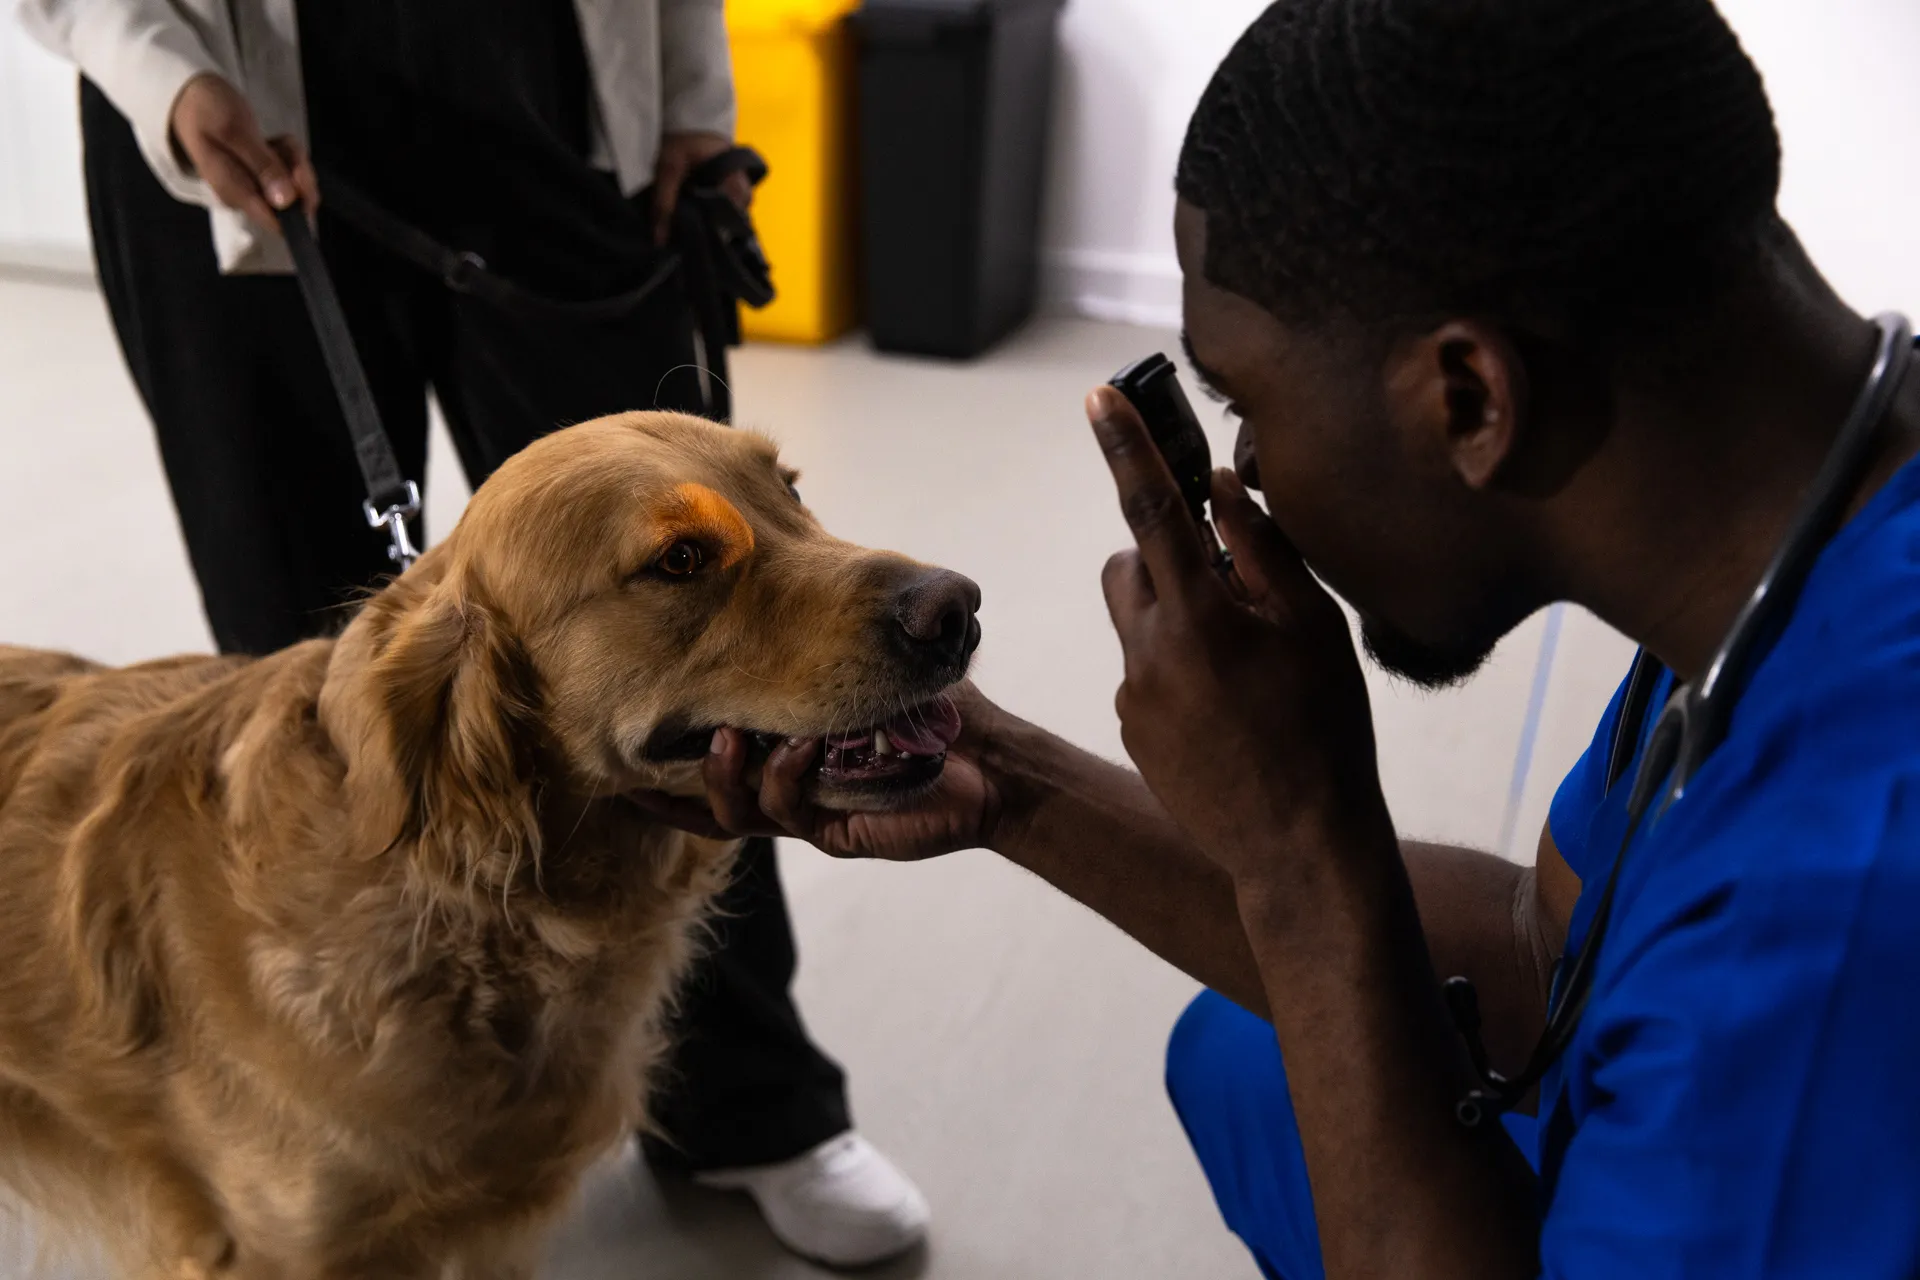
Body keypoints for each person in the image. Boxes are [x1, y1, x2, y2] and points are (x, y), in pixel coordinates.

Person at [634, 0, 1920, 1275]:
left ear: (1469, 398)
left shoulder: (1826, 915)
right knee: (1244, 1060)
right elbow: (1543, 949)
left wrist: (1304, 847)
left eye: (1245, 401)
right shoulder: (1811, 520)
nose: (1242, 470)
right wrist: (1001, 777)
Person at [18, 0, 928, 1266]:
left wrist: (689, 105)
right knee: (312, 683)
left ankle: (749, 1101)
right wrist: (156, 69)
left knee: (713, 632)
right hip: (225, 94)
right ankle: (316, 1132)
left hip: (541, 85)